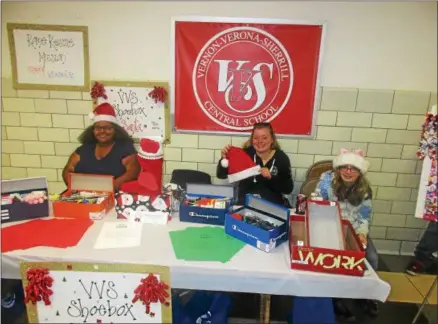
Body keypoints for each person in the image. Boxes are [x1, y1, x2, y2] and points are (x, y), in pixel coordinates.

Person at [315, 148, 379, 321]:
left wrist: (363, 234)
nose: (348, 172)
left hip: (353, 228)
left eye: (353, 168)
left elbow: (364, 217)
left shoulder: (365, 190)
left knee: (371, 258)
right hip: (329, 225)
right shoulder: (326, 182)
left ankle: (366, 295)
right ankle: (335, 298)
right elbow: (316, 203)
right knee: (333, 259)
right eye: (345, 167)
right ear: (338, 169)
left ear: (360, 172)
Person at [62, 103, 140, 190]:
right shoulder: (84, 149)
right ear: (92, 130)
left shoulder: (125, 149)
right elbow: (68, 170)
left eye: (107, 128)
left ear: (115, 130)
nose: (102, 131)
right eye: (98, 128)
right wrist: (75, 187)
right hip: (83, 196)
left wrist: (110, 187)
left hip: (114, 196)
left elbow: (133, 172)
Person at [216, 122, 293, 206]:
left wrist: (271, 177)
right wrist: (224, 159)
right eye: (256, 138)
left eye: (264, 138)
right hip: (246, 207)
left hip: (273, 208)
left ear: (272, 139)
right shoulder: (244, 155)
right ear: (252, 140)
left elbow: (288, 189)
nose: (260, 141)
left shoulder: (281, 158)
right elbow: (221, 175)